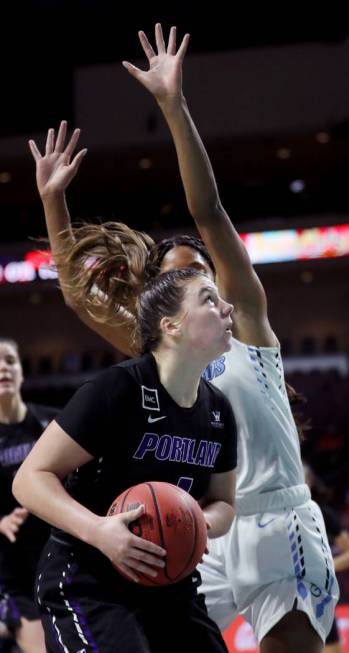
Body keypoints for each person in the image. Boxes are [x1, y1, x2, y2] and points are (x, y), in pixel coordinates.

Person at [29, 25, 339, 652]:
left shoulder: (244, 320)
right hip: (199, 525)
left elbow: (209, 213)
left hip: (278, 519)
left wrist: (174, 105)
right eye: (181, 281)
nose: (203, 287)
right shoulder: (161, 355)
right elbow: (74, 294)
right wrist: (52, 203)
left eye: (202, 274)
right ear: (163, 317)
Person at [12, 267, 237, 653]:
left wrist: (200, 522)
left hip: (167, 583)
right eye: (209, 299)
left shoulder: (219, 410)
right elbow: (29, 479)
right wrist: (99, 530)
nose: (227, 307)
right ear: (171, 326)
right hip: (88, 578)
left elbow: (224, 504)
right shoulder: (117, 389)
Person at [0, 338, 56, 653]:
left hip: (58, 558)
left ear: (21, 371)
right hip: (14, 572)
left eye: (9, 360)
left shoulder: (53, 424)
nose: (3, 369)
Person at [304, 463, 349, 653]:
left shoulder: (323, 514)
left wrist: (324, 565)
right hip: (290, 598)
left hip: (320, 596)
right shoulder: (275, 516)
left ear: (310, 482)